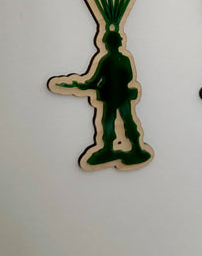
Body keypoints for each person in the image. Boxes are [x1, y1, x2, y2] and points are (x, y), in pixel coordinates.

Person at [53, 29, 152, 168]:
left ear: (108, 44)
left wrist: (80, 85)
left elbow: (94, 81)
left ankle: (110, 149)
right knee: (126, 122)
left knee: (109, 123)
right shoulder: (124, 59)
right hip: (121, 96)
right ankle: (134, 149)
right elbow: (128, 77)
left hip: (112, 97)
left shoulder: (107, 60)